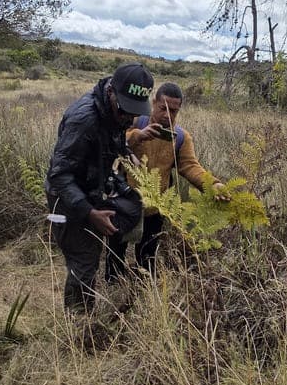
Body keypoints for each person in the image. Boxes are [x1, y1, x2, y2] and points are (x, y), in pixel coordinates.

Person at [45, 62, 154, 313]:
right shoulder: (84, 120)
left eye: (134, 112)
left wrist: (126, 152)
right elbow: (59, 174)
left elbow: (113, 137)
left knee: (129, 210)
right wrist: (90, 213)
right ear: (111, 92)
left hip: (93, 189)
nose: (128, 118)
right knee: (83, 262)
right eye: (125, 110)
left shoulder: (115, 111)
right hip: (67, 197)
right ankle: (78, 322)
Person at [105, 82, 227, 281]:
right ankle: (113, 286)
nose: (167, 115)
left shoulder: (180, 138)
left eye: (174, 111)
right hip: (125, 201)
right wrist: (137, 136)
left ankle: (144, 289)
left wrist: (213, 184)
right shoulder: (134, 121)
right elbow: (112, 142)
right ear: (154, 102)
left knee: (147, 254)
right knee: (116, 249)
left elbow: (190, 166)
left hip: (156, 205)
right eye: (163, 108)